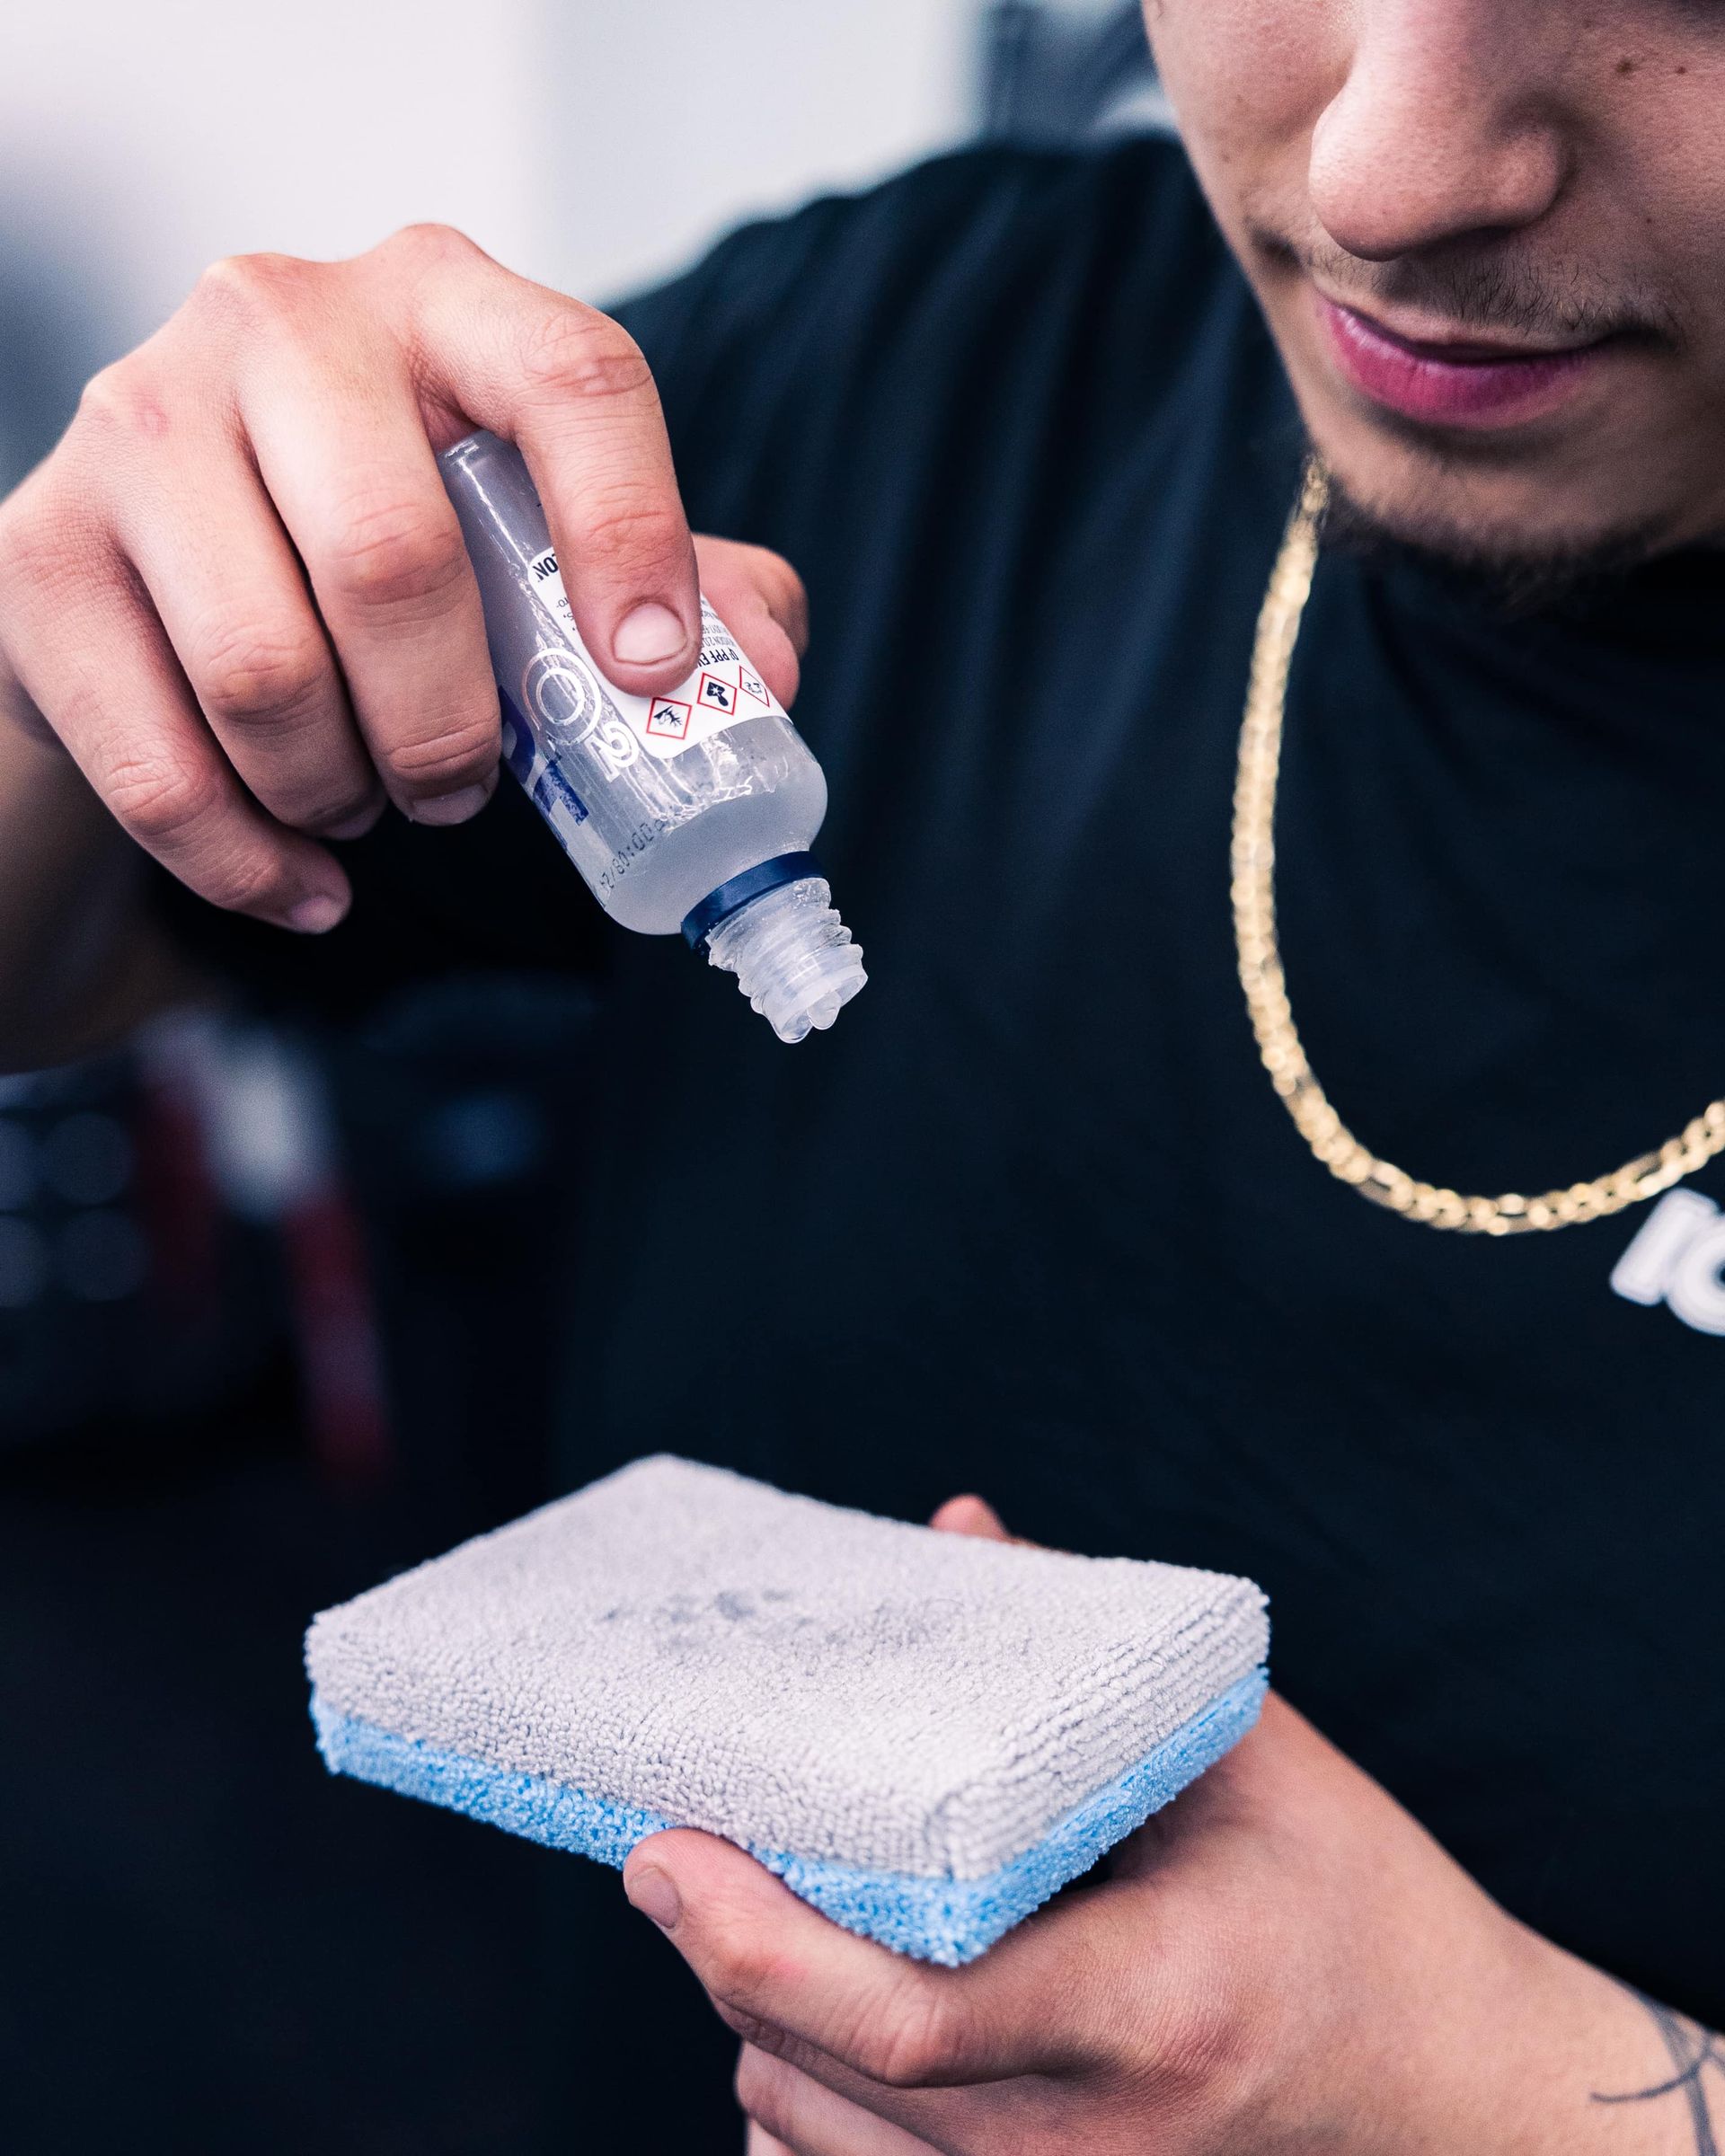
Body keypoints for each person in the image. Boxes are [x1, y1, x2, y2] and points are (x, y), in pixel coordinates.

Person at [2, 2, 1722, 2149]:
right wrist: (64, 679)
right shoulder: (930, 362)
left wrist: (1538, 2114)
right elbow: (62, 949)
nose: (1388, 176)